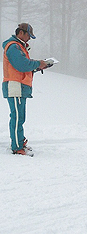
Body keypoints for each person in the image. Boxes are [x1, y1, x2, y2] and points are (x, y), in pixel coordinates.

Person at [2, 23, 48, 156]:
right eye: (29, 35)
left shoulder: (19, 46)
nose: (29, 39)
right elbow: (21, 65)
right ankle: (16, 147)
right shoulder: (14, 46)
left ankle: (19, 141)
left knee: (20, 117)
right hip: (14, 85)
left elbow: (24, 67)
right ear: (21, 33)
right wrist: (38, 63)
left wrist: (38, 67)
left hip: (20, 86)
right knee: (17, 117)